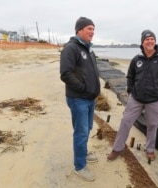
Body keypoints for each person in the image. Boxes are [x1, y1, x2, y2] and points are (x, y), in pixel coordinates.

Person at [107, 30, 158, 161]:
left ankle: (149, 150)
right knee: (125, 122)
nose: (150, 41)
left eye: (152, 39)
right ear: (142, 42)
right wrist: (131, 91)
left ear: (155, 41)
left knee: (152, 125)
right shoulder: (137, 59)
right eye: (147, 39)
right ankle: (117, 148)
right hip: (136, 99)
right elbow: (130, 76)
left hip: (155, 100)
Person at [60, 17, 100, 181]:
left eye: (93, 29)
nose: (92, 31)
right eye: (89, 28)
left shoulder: (88, 49)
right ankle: (80, 166)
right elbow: (65, 74)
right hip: (78, 99)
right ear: (79, 30)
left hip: (90, 98)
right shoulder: (71, 48)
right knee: (81, 131)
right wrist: (83, 88)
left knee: (88, 128)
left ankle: (83, 153)